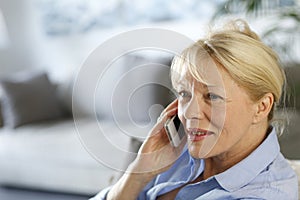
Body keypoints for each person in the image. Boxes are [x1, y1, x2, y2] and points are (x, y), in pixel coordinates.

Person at [91, 19, 298, 200]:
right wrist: (139, 172)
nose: (189, 113)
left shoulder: (266, 194)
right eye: (184, 94)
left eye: (212, 96)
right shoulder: (176, 156)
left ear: (262, 107)